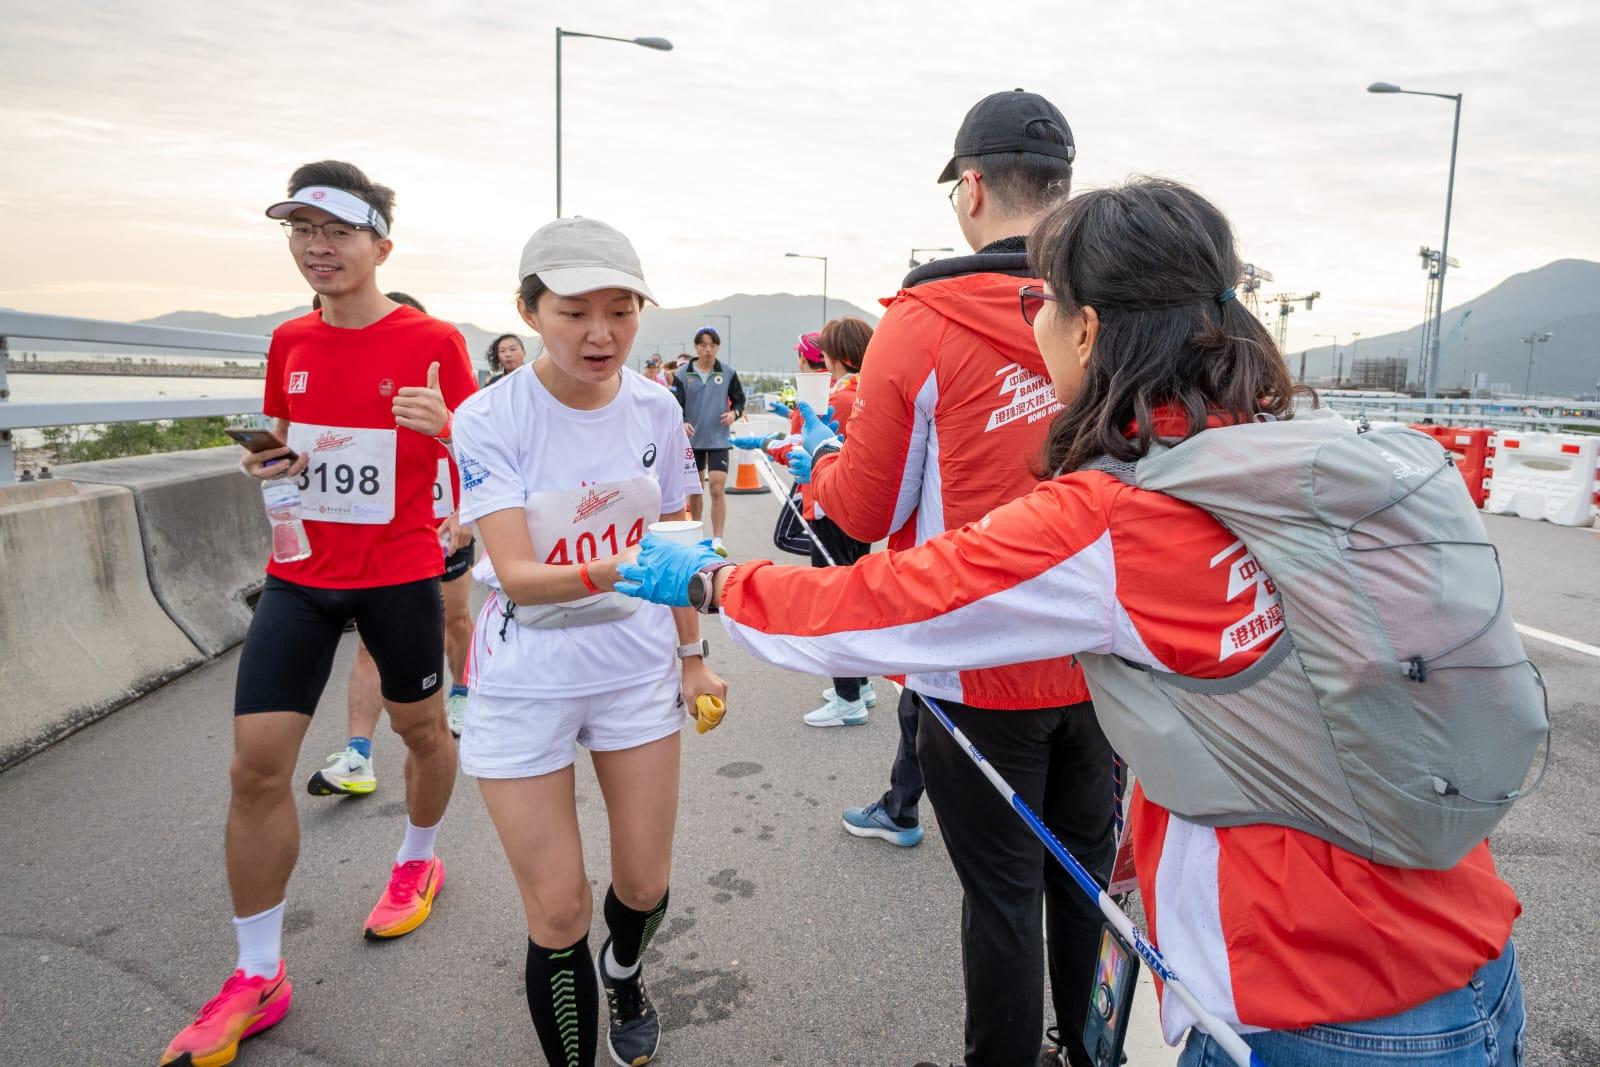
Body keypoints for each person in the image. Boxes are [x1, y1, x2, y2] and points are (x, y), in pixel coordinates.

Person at [615, 177, 1528, 1067]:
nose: (1033, 322)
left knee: (1008, 894)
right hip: (1470, 953)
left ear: (1087, 328)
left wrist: (716, 580)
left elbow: (886, 603)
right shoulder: (1279, 445)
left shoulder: (1118, 515)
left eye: (1041, 302)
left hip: (1311, 1000)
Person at [768, 87, 1110, 1067]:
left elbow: (863, 510)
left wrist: (818, 469)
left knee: (1001, 896)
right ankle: (1088, 1050)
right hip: (1106, 659)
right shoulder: (1116, 308)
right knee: (1085, 882)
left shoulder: (921, 321)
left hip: (974, 661)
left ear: (971, 188)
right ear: (1064, 190)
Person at [162, 161, 477, 1067]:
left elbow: (488, 454)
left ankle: (418, 856)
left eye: (336, 230)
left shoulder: (433, 340)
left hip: (399, 573)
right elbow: (285, 444)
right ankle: (257, 973)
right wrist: (270, 462)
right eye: (300, 229)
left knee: (422, 732)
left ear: (382, 243)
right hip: (299, 575)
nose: (316, 246)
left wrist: (447, 427)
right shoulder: (289, 340)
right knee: (255, 768)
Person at [451, 217, 727, 1067]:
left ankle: (627, 968)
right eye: (574, 312)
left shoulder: (657, 407)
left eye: (621, 310)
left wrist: (692, 657)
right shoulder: (487, 416)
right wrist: (624, 568)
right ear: (529, 312)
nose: (601, 333)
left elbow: (677, 538)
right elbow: (518, 573)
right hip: (525, 671)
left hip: (633, 667)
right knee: (559, 909)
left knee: (644, 883)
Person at [307, 290, 479, 799]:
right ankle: (357, 753)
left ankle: (462, 691)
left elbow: (480, 451)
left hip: (446, 525)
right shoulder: (360, 382)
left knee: (454, 619)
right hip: (395, 538)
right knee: (369, 643)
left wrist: (465, 511)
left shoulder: (444, 379)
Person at [737, 319, 877, 727]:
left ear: (839, 356)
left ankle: (849, 699)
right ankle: (860, 684)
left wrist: (763, 443)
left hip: (831, 505)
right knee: (851, 595)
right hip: (856, 508)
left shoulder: (840, 397)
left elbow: (806, 446)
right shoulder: (865, 392)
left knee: (834, 603)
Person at [671, 325, 745, 556]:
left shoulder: (728, 373)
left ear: (717, 347)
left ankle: (718, 540)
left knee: (717, 487)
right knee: (695, 490)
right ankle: (697, 537)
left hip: (718, 440)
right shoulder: (683, 374)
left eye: (712, 345)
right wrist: (682, 422)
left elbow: (740, 401)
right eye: (703, 345)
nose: (708, 349)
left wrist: (733, 414)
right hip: (692, 441)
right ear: (696, 347)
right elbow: (674, 405)